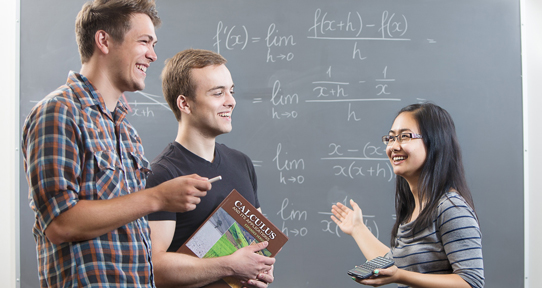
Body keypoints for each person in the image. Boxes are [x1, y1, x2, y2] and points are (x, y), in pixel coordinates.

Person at [21, 1, 212, 287]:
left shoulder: (126, 132)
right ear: (104, 41)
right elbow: (60, 224)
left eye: (153, 44)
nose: (153, 55)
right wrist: (157, 198)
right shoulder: (59, 112)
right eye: (144, 42)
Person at [147, 48, 275, 288]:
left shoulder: (242, 163)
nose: (231, 101)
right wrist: (231, 265)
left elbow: (259, 243)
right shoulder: (162, 175)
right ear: (184, 103)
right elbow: (153, 267)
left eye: (231, 91)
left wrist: (259, 268)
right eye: (218, 93)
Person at [331, 103, 484, 288]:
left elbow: (471, 282)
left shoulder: (450, 208)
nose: (394, 146)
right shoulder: (413, 211)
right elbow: (393, 264)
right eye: (391, 138)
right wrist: (357, 229)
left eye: (404, 136)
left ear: (435, 141)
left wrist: (401, 276)